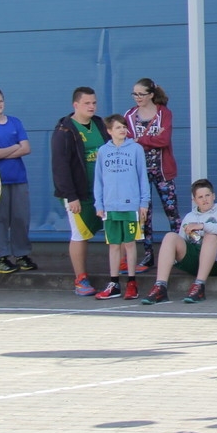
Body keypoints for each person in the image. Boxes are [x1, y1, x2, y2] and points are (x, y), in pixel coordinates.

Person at [139, 179, 217, 305]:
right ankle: (160, 287)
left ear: (213, 196)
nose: (205, 199)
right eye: (200, 197)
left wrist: (203, 226)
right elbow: (182, 241)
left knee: (211, 236)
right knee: (170, 236)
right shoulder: (190, 217)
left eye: (207, 195)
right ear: (195, 200)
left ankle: (199, 287)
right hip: (195, 260)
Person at [52, 86, 108, 296]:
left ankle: (119, 273)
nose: (92, 106)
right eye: (87, 103)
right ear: (75, 105)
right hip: (79, 194)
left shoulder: (101, 125)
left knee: (115, 229)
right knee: (79, 234)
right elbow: (60, 166)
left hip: (103, 193)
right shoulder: (64, 131)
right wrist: (70, 196)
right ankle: (81, 279)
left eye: (94, 102)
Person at [91, 116, 150, 301]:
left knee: (130, 243)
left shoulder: (135, 149)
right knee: (114, 245)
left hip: (130, 205)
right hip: (110, 206)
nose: (122, 130)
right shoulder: (103, 151)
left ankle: (132, 282)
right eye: (118, 127)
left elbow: (142, 178)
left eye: (124, 127)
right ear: (109, 131)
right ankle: (114, 283)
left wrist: (143, 203)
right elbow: (98, 180)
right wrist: (99, 204)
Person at [125, 78, 180, 270]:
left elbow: (164, 140)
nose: (137, 98)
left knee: (171, 212)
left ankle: (179, 252)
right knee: (144, 215)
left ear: (151, 95)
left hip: (163, 170)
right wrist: (148, 139)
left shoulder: (164, 113)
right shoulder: (130, 115)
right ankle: (148, 255)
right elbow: (128, 141)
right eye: (134, 94)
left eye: (141, 94)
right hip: (140, 173)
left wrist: (141, 139)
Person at [0, 87, 36, 274]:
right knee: (0, 218)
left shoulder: (15, 122)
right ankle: (2, 257)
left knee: (21, 217)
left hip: (19, 178)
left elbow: (27, 148)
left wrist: (4, 150)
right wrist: (14, 147)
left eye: (1, 101)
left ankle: (21, 254)